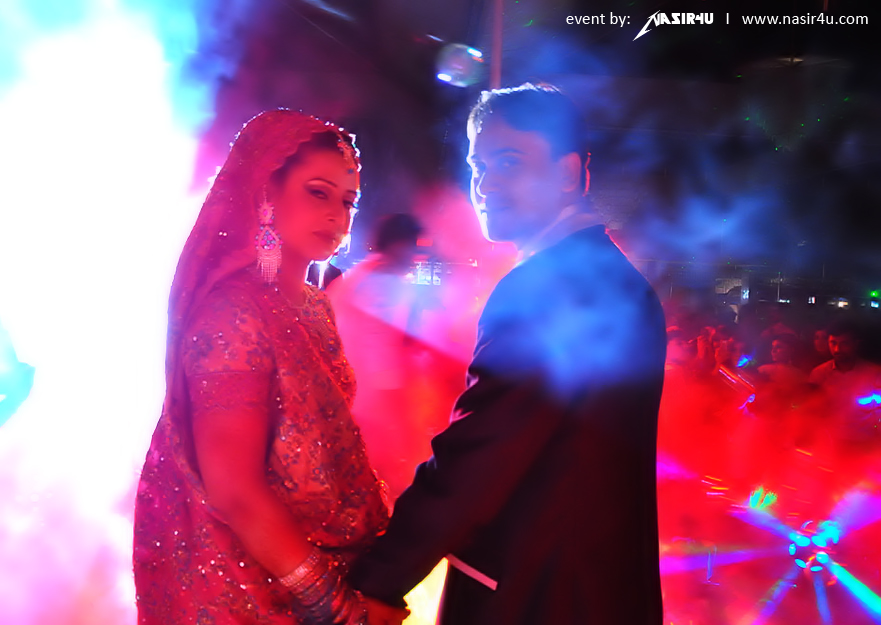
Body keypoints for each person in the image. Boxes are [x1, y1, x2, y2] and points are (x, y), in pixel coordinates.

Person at [349, 84, 667, 624]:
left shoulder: (551, 284)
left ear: (568, 173)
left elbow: (481, 456)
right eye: (478, 165)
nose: (485, 182)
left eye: (509, 161)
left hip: (540, 595)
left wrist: (381, 578)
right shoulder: (610, 275)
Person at [133, 110, 400, 625]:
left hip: (324, 564)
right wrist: (337, 606)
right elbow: (234, 489)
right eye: (318, 193)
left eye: (348, 201)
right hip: (254, 589)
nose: (338, 216)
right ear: (264, 195)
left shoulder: (314, 305)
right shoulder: (233, 311)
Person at [326, 213, 429, 499]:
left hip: (347, 399)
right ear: (398, 244)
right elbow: (379, 352)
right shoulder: (383, 283)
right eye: (415, 247)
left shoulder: (358, 276)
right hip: (372, 406)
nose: (417, 257)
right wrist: (401, 400)